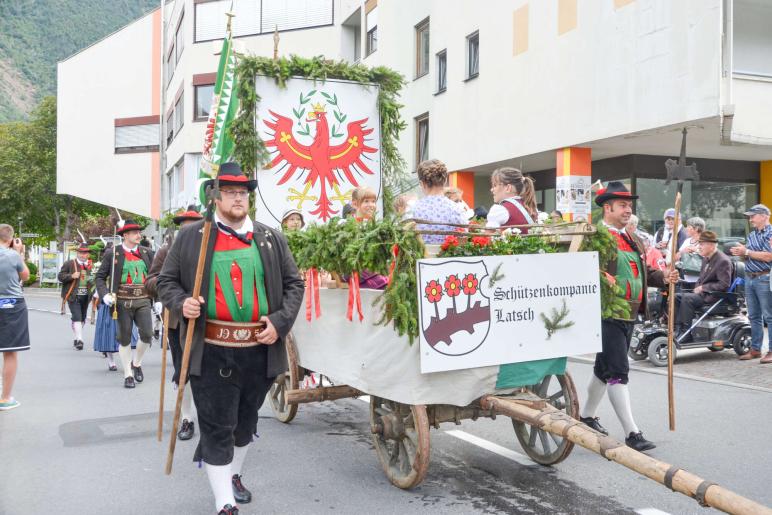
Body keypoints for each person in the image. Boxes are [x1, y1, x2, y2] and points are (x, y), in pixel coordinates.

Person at [157, 162, 304, 515]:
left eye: (243, 193)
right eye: (230, 192)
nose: (238, 198)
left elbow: (294, 284)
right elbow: (165, 281)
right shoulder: (192, 237)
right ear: (216, 197)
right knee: (216, 425)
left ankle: (233, 474)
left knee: (245, 423)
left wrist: (280, 322)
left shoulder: (271, 238)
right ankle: (224, 501)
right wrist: (182, 302)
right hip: (211, 351)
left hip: (258, 349)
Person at [578, 182, 678, 451]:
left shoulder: (634, 239)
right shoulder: (595, 236)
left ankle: (586, 416)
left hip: (630, 312)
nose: (628, 210)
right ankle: (632, 433)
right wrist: (600, 277)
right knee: (618, 372)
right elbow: (582, 270)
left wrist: (664, 276)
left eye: (629, 205)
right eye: (622, 205)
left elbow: (644, 272)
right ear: (607, 208)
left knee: (603, 369)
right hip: (607, 312)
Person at [145, 206, 203, 441]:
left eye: (195, 226)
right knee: (184, 371)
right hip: (178, 321)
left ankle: (213, 419)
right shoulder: (167, 250)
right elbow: (150, 281)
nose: (190, 230)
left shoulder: (212, 247)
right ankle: (187, 418)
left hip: (209, 318)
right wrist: (166, 286)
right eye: (185, 226)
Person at [95, 219, 155, 388]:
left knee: (147, 334)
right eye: (135, 233)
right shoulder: (113, 253)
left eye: (139, 232)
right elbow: (100, 277)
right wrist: (105, 295)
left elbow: (156, 277)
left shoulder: (147, 252)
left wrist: (158, 299)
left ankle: (137, 363)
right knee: (124, 338)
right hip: (121, 301)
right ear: (125, 235)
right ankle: (128, 374)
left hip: (143, 299)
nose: (139, 235)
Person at [730, 204, 772, 363]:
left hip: (764, 277)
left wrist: (746, 251)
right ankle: (755, 349)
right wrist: (741, 253)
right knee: (754, 316)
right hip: (750, 277)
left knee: (769, 316)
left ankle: (771, 351)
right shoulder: (752, 235)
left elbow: (769, 256)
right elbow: (749, 255)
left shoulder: (771, 233)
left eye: (753, 216)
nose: (750, 219)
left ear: (764, 216)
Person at [673, 230, 732, 343]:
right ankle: (678, 329)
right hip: (704, 294)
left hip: (714, 296)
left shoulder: (722, 260)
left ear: (711, 245)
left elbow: (724, 284)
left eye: (702, 244)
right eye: (699, 244)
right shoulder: (706, 258)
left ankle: (686, 333)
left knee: (687, 298)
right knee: (676, 297)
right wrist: (698, 288)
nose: (699, 247)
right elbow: (701, 278)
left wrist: (703, 288)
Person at [0, 225, 30, 411]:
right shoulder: (12, 255)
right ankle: (5, 398)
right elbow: (25, 276)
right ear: (11, 239)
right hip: (11, 303)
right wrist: (19, 253)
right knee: (9, 353)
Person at [411, 159, 467, 244]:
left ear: (422, 183)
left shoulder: (413, 209)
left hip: (420, 252)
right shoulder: (457, 209)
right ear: (445, 181)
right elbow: (463, 241)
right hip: (448, 252)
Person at [57, 242, 95, 350]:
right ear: (77, 253)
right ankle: (79, 340)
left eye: (85, 253)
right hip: (73, 295)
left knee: (82, 318)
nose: (83, 255)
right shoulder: (69, 263)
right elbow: (60, 276)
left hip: (86, 296)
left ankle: (76, 337)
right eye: (81, 252)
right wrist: (71, 276)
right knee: (77, 316)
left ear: (88, 254)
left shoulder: (91, 265)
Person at [350, 186, 388, 289]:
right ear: (355, 204)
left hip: (374, 272)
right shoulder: (346, 226)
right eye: (366, 201)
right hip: (356, 274)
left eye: (373, 201)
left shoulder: (378, 228)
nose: (371, 205)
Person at [486, 167, 538, 233]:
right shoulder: (530, 207)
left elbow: (488, 237)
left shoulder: (499, 209)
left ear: (508, 188)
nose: (492, 189)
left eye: (495, 185)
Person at [675, 217, 705, 284]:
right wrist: (683, 251)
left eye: (688, 227)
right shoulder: (687, 241)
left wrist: (696, 250)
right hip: (686, 280)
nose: (686, 229)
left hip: (702, 281)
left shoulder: (706, 241)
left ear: (696, 228)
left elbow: (712, 257)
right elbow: (675, 258)